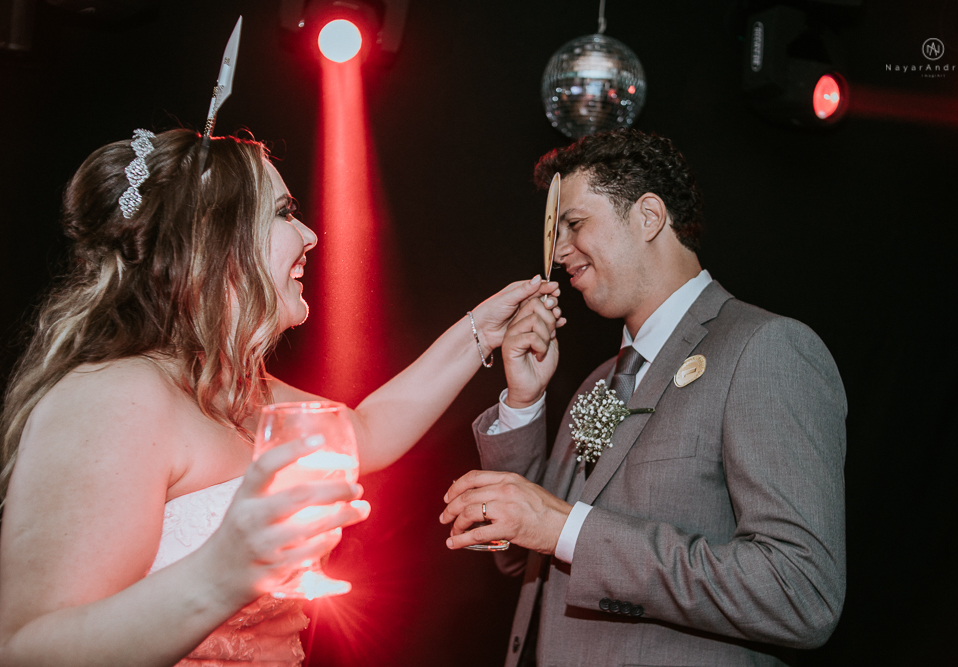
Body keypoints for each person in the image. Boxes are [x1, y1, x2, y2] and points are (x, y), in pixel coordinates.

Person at [0, 128, 561, 667]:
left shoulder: (237, 388)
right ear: (210, 240)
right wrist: (222, 572)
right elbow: (27, 651)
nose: (311, 235)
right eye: (284, 213)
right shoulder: (116, 398)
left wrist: (478, 334)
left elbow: (364, 431)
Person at [441, 129, 847, 666]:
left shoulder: (765, 349)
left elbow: (800, 592)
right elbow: (517, 560)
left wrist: (567, 529)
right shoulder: (597, 382)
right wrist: (523, 400)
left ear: (649, 216)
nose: (560, 251)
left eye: (575, 224)